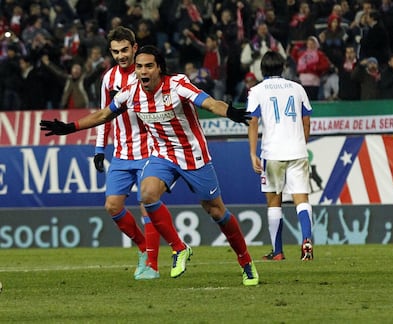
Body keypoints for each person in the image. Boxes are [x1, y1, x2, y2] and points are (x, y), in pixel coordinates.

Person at [40, 45, 259, 286]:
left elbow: (208, 103)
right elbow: (104, 115)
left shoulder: (177, 85)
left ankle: (246, 262)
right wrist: (70, 127)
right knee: (147, 194)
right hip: (162, 155)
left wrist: (230, 112)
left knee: (216, 211)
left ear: (160, 69)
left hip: (192, 156)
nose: (143, 71)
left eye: (149, 66)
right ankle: (179, 248)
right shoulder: (130, 92)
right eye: (140, 66)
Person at [94, 26, 161, 280]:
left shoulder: (146, 72)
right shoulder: (109, 79)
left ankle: (152, 265)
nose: (121, 55)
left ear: (135, 48)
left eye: (124, 50)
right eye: (115, 51)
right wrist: (100, 149)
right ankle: (144, 248)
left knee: (147, 205)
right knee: (112, 206)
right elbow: (104, 116)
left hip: (149, 149)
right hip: (122, 153)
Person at [247, 51, 313, 261]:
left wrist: (252, 152)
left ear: (262, 69)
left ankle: (278, 252)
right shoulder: (297, 88)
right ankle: (307, 240)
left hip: (272, 152)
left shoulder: (256, 91)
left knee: (274, 202)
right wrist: (301, 144)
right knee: (301, 198)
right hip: (297, 150)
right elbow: (306, 121)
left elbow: (253, 121)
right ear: (283, 68)